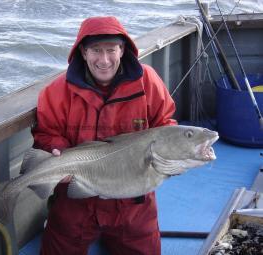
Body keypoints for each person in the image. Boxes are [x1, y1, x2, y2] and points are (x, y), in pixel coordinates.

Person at [32, 16, 177, 255]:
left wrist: (172, 159)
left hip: (133, 201)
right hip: (76, 199)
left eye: (111, 50)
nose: (104, 59)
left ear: (122, 50)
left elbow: (165, 125)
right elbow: (46, 132)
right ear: (83, 52)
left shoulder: (148, 81)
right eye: (96, 51)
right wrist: (56, 150)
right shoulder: (56, 91)